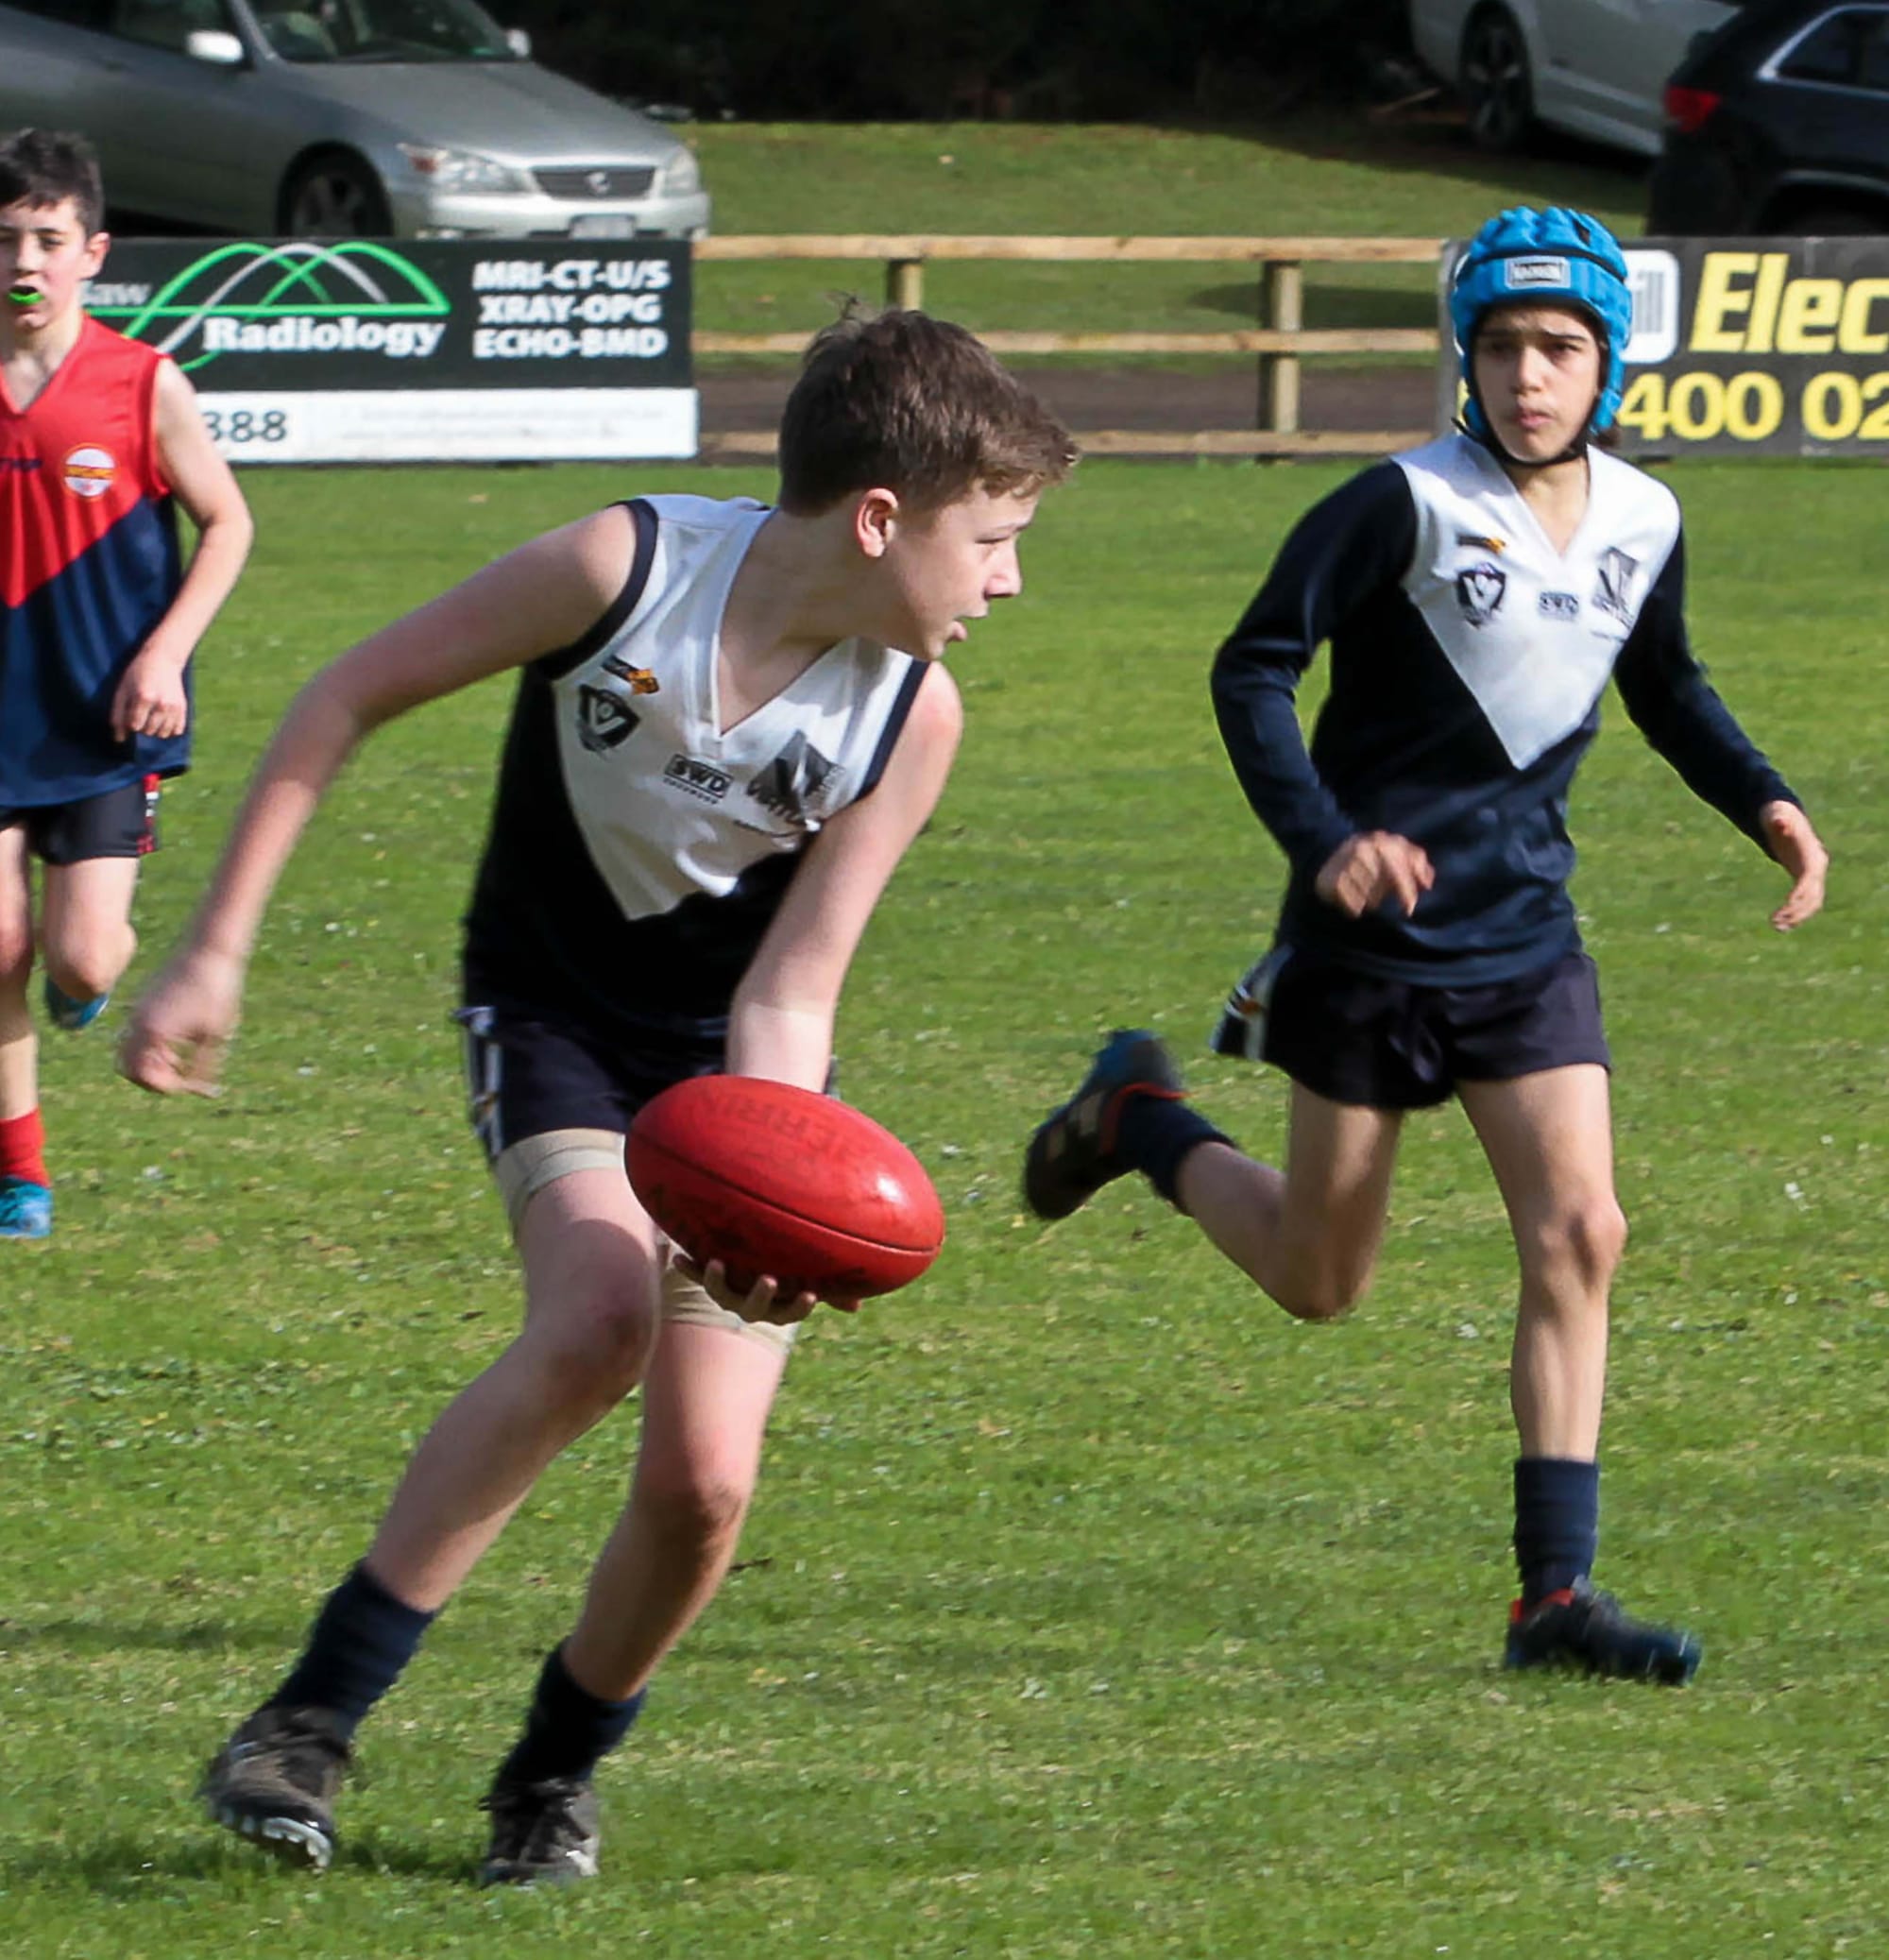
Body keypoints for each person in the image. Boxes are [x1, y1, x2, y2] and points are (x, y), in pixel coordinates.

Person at [120, 308, 1074, 1884]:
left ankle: (553, 1773)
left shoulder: (913, 714)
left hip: (737, 1067)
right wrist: (214, 951)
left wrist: (747, 1187)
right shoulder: (619, 571)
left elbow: (795, 984)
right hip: (557, 1019)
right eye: (995, 539)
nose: (1008, 581)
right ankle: (307, 1723)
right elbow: (339, 698)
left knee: (705, 1486)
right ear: (881, 518)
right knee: (590, 1325)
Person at [1023, 207, 1829, 1685]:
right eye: (1506, 345)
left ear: (1609, 364)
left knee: (1585, 1230)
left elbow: (1663, 683)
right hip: (1368, 949)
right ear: (1467, 355)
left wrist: (1765, 799)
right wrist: (1327, 838)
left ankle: (1554, 1600)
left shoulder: (1648, 518)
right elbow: (1254, 665)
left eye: (1562, 348)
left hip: (1526, 939)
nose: (1531, 375)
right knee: (1321, 1279)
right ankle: (1139, 1111)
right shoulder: (1399, 502)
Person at [0, 128, 253, 1242]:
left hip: (104, 714)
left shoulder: (142, 382)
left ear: (92, 252)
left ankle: (76, 978)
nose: (24, 262)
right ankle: (21, 1170)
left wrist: (164, 654)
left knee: (81, 953)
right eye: (6, 239)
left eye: (48, 240)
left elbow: (229, 523)